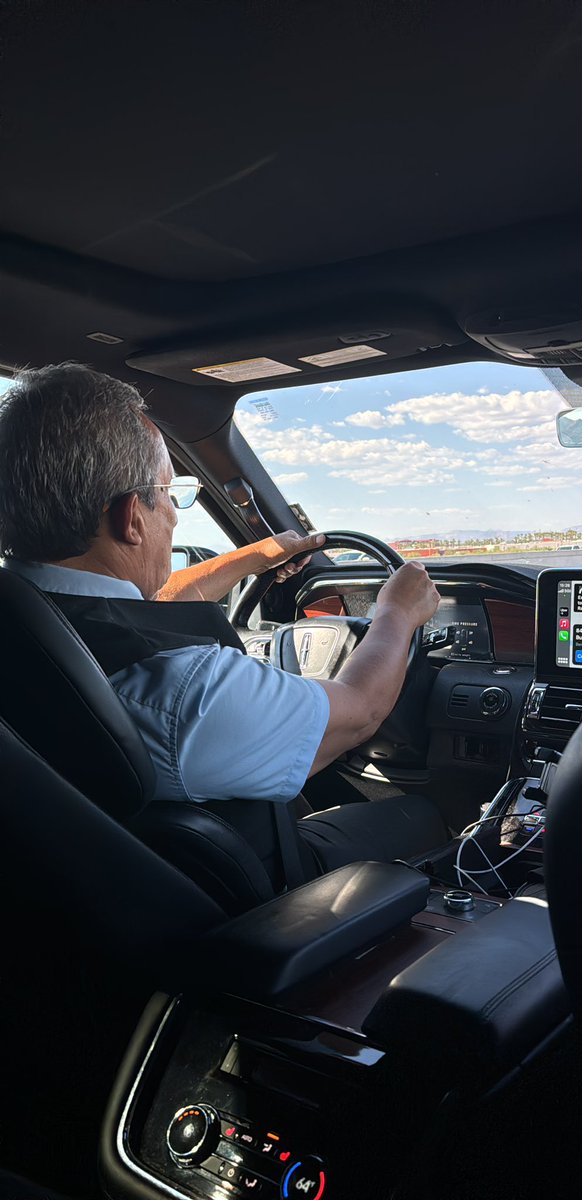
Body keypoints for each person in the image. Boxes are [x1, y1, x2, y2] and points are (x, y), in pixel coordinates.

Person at [0, 363, 446, 878]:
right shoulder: (183, 688)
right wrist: (398, 611)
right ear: (131, 518)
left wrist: (254, 557)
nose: (173, 513)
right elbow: (361, 712)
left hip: (85, 897)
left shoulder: (37, 622)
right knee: (423, 814)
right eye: (168, 493)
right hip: (250, 910)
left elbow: (143, 603)